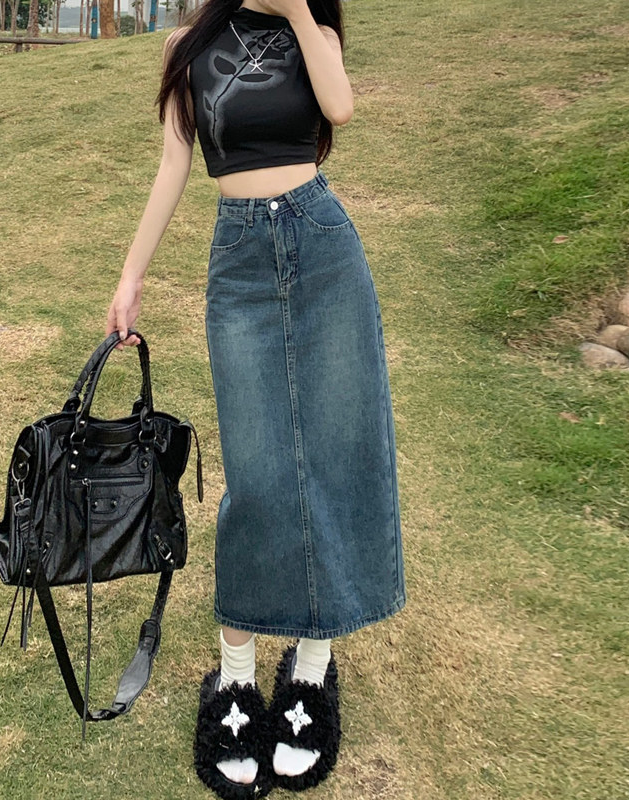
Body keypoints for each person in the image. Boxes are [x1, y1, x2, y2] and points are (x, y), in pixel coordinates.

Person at [105, 1, 405, 797]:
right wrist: (131, 277)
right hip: (239, 259)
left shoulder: (317, 35)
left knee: (337, 457)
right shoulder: (188, 47)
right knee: (260, 474)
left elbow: (340, 107)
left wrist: (302, 13)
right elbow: (173, 165)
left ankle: (311, 669)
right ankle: (234, 679)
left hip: (324, 249)